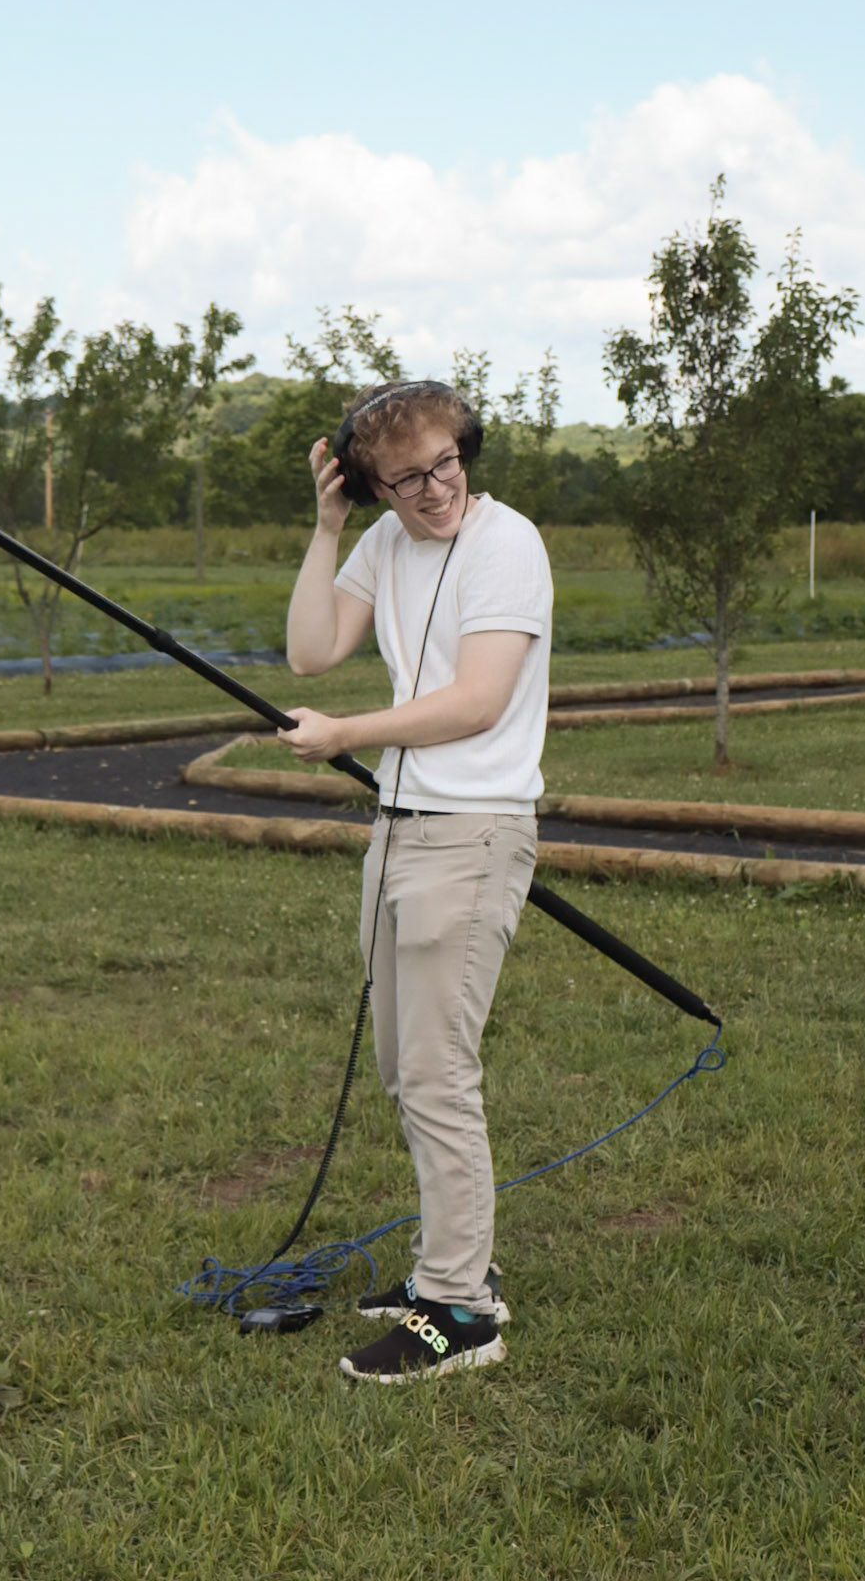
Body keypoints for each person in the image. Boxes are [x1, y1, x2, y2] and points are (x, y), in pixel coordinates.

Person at [279, 379, 552, 1383]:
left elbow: (478, 700)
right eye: (406, 478)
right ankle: (453, 1264)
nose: (436, 489)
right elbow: (311, 652)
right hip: (399, 830)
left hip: (472, 834)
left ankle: (459, 1311)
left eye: (447, 463)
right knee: (406, 1069)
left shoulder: (506, 543)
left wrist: (347, 735)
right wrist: (327, 529)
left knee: (438, 1073)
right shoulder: (384, 543)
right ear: (372, 485)